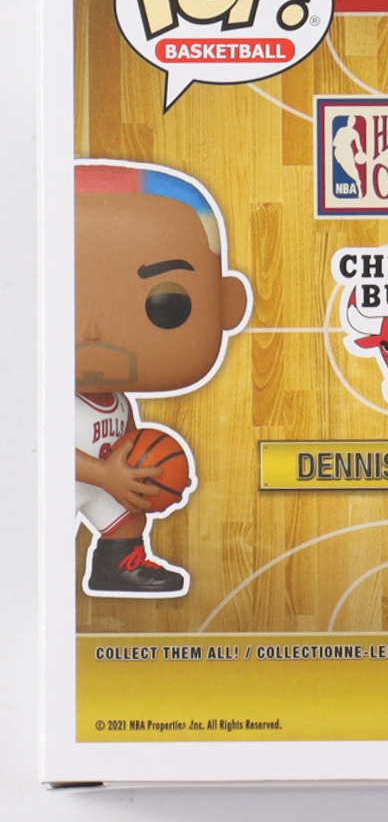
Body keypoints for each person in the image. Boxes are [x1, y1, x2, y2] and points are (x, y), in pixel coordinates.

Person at [75, 161, 250, 597]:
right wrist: (106, 475)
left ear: (228, 305)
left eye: (166, 304)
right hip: (63, 484)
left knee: (127, 514)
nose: (93, 331)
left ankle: (118, 564)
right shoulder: (44, 400)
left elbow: (128, 435)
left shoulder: (117, 400)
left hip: (107, 479)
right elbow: (45, 453)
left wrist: (158, 473)